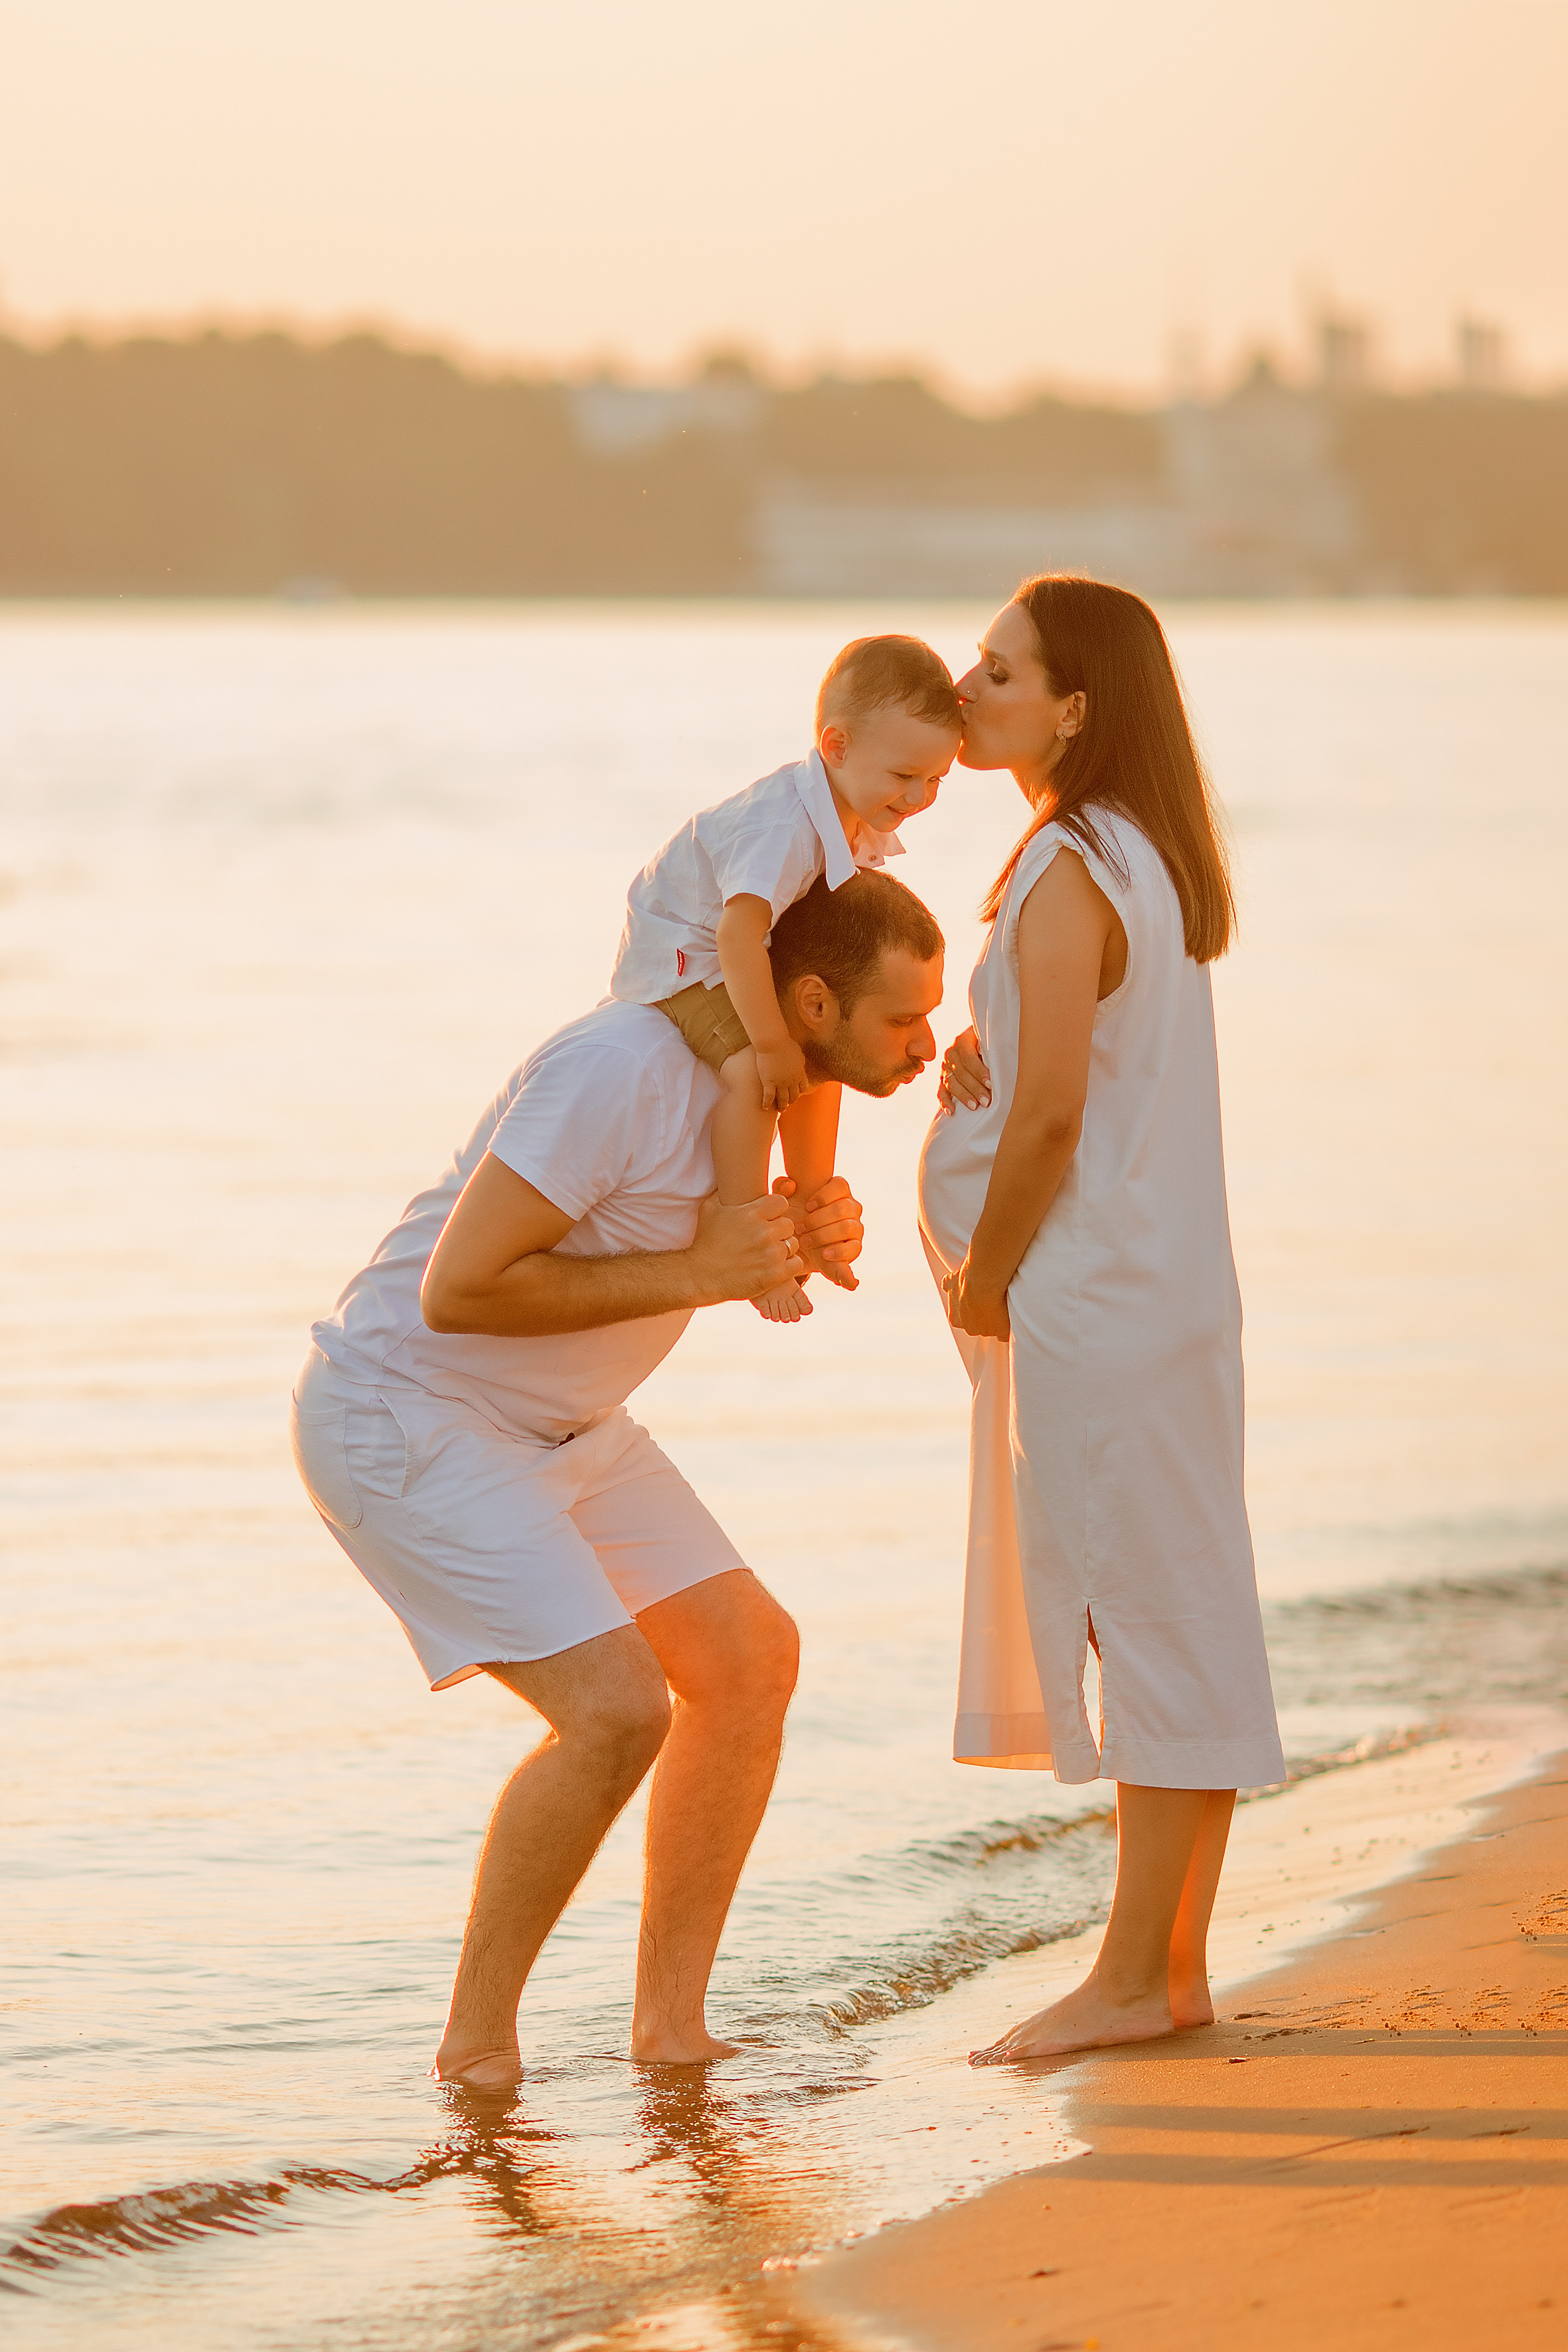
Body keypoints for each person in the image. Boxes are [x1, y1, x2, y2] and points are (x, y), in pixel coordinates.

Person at [291, 872, 944, 2088]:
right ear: (808, 1001)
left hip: (565, 1419)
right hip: (406, 1411)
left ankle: (670, 2032)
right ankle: (475, 2049)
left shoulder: (762, 1089)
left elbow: (723, 1244)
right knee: (615, 1708)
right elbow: (459, 1289)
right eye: (903, 1020)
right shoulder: (620, 1071)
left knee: (750, 1656)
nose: (925, 1043)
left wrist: (803, 1234)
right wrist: (704, 1266)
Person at [918, 574, 1285, 2063]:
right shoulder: (1128, 854)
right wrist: (979, 1048)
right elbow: (1060, 1066)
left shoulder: (1071, 863)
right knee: (1172, 1605)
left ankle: (1133, 1976)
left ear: (1073, 704)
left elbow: (1060, 1112)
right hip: (1164, 1297)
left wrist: (987, 1267)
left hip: (1097, 1303)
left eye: (998, 670)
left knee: (1142, 1618)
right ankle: (1167, 1965)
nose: (966, 686)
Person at [610, 635, 959, 1324]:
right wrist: (770, 1044)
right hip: (684, 955)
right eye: (903, 776)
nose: (918, 797)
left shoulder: (851, 813)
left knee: (818, 1058)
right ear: (835, 745)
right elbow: (735, 934)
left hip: (742, 949)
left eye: (935, 781)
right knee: (754, 1073)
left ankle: (808, 1200)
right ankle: (750, 1242)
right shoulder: (783, 825)